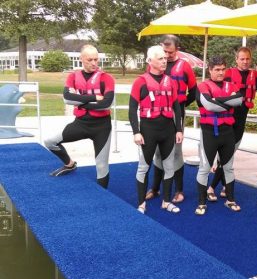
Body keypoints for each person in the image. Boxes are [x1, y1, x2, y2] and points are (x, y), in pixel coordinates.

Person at [45, 44, 115, 188]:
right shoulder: (73, 76)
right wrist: (95, 97)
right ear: (81, 59)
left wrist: (81, 102)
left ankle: (102, 197)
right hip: (81, 123)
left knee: (101, 164)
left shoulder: (106, 78)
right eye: (90, 59)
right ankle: (69, 165)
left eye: (96, 59)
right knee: (49, 142)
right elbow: (67, 98)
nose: (94, 63)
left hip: (102, 126)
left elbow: (107, 104)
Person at [129, 45, 183, 214]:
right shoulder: (140, 81)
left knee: (169, 166)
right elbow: (132, 109)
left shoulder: (171, 82)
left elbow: (176, 107)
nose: (164, 60)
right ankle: (141, 203)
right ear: (150, 60)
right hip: (148, 130)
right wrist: (136, 132)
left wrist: (179, 129)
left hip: (167, 130)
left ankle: (166, 202)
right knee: (143, 167)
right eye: (160, 58)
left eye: (165, 58)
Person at [206, 47, 257, 202]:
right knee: (226, 157)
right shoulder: (227, 74)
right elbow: (213, 88)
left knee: (228, 156)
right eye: (242, 59)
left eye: (247, 59)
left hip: (240, 122)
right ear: (236, 59)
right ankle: (212, 187)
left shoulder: (256, 76)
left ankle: (224, 186)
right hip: (225, 120)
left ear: (250, 59)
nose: (245, 62)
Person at [144, 35, 197, 204]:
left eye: (170, 52)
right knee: (159, 152)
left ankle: (179, 190)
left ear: (177, 50)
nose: (166, 56)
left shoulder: (184, 66)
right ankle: (155, 188)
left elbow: (194, 90)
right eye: (164, 52)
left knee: (175, 152)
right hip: (158, 114)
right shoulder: (154, 64)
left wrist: (180, 105)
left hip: (176, 112)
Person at [195, 56, 243, 215]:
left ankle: (230, 200)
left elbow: (239, 100)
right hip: (209, 133)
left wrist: (218, 100)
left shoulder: (231, 85)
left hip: (227, 133)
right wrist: (227, 103)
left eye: (223, 69)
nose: (221, 72)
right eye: (217, 70)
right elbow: (208, 105)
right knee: (205, 168)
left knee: (228, 167)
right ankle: (202, 203)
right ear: (210, 70)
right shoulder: (203, 86)